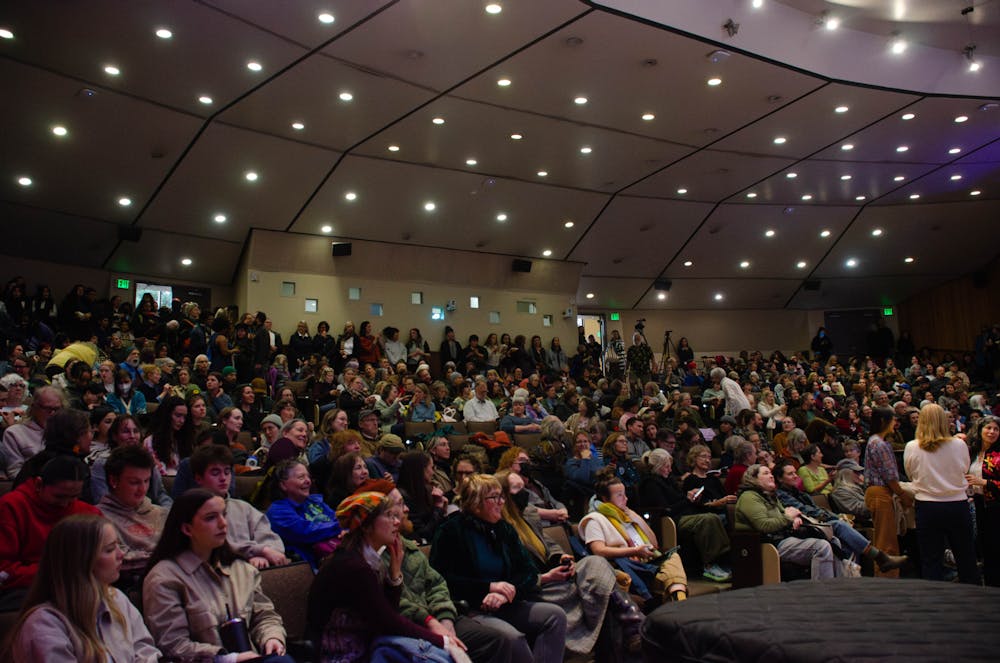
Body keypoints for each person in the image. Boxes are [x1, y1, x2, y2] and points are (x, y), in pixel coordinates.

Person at [308, 491, 468, 663]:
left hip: (368, 646)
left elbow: (388, 613)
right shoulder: (353, 567)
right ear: (366, 526)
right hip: (342, 655)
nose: (397, 521)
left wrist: (395, 573)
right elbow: (387, 622)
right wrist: (443, 641)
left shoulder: (364, 560)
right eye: (388, 516)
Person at [430, 474, 568, 663]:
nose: (502, 502)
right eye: (494, 497)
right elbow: (442, 580)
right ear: (475, 502)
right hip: (472, 607)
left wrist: (506, 592)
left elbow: (528, 571)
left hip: (505, 603)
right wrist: (488, 588)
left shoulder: (505, 529)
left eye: (501, 496)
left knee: (555, 616)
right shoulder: (450, 531)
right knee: (512, 638)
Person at [142, 489, 291, 661]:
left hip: (252, 657)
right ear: (187, 529)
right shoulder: (164, 578)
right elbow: (173, 645)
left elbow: (264, 617)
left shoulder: (241, 568)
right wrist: (227, 659)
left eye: (224, 515)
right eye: (211, 518)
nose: (223, 524)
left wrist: (272, 638)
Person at [495, 469, 626, 658]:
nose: (524, 494)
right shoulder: (501, 528)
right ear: (504, 496)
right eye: (517, 489)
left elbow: (548, 544)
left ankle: (631, 618)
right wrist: (546, 577)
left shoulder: (528, 514)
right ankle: (624, 636)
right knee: (599, 591)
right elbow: (513, 576)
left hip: (554, 575)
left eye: (524, 488)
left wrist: (560, 557)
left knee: (595, 563)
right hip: (538, 588)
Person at [382, 485, 513, 663]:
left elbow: (437, 584)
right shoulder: (451, 531)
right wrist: (431, 622)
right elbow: (393, 605)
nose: (406, 509)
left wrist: (445, 618)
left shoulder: (409, 547)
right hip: (416, 625)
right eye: (399, 504)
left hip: (443, 614)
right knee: (507, 637)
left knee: (501, 639)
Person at [5, 514, 160, 662]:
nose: (121, 555)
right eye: (109, 549)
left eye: (119, 546)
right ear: (81, 561)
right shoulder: (44, 625)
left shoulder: (117, 599)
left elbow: (145, 651)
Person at [0, 456, 102, 611]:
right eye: (59, 496)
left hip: (80, 586)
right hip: (26, 588)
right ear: (39, 484)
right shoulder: (11, 507)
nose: (65, 504)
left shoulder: (89, 513)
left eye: (73, 497)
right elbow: (4, 567)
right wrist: (58, 574)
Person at [773, 458, 906, 573]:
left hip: (817, 524)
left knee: (845, 537)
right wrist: (836, 518)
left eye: (795, 472)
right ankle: (879, 557)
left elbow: (816, 509)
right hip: (805, 527)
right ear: (779, 478)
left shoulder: (799, 493)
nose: (795, 476)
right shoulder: (781, 495)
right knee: (838, 525)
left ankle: (853, 576)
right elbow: (805, 510)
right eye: (790, 474)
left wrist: (837, 517)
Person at [579, 470, 689, 605]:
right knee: (671, 574)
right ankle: (680, 600)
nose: (625, 499)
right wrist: (634, 551)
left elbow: (654, 544)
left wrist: (636, 517)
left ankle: (678, 599)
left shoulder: (626, 516)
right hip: (627, 567)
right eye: (620, 495)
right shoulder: (594, 519)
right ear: (605, 499)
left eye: (625, 494)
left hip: (646, 561)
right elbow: (598, 551)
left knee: (673, 557)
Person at [904, 403, 981, 584]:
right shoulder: (959, 444)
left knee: (931, 560)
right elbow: (964, 468)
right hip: (957, 505)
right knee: (966, 557)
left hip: (927, 506)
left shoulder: (912, 446)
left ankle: (935, 598)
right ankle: (975, 596)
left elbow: (910, 474)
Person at [638, 449, 732, 582]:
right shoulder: (650, 484)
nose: (670, 470)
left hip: (684, 514)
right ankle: (710, 564)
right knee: (708, 519)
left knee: (714, 516)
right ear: (658, 466)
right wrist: (687, 500)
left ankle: (723, 560)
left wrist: (690, 496)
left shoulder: (668, 481)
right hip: (670, 520)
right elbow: (666, 510)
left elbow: (680, 499)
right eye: (666, 466)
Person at [735, 464, 842, 580]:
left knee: (833, 540)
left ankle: (839, 584)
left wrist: (795, 519)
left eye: (770, 473)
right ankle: (823, 588)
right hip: (769, 543)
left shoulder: (769, 495)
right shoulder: (749, 497)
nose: (771, 476)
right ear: (753, 478)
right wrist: (789, 518)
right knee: (821, 547)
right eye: (766, 473)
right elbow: (764, 525)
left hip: (784, 536)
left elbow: (785, 515)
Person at [190, 444, 288, 569]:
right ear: (199, 478)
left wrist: (263, 555)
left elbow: (271, 540)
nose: (223, 478)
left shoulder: (243, 507)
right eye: (215, 473)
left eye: (227, 472)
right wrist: (260, 550)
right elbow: (218, 546)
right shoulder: (191, 510)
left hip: (250, 569)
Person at [97, 446, 168, 591]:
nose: (142, 489)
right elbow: (119, 560)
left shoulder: (161, 513)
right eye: (134, 482)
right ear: (113, 480)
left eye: (146, 481)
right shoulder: (99, 517)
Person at [265, 459, 342, 570]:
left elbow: (337, 518)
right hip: (308, 567)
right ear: (283, 485)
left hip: (334, 555)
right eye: (301, 477)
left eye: (308, 477)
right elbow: (306, 532)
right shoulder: (278, 511)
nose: (308, 481)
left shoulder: (314, 502)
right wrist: (341, 526)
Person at [863, 406, 912, 578]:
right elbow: (889, 475)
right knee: (886, 540)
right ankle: (887, 580)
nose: (895, 423)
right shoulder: (879, 444)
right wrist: (902, 495)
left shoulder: (874, 441)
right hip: (880, 492)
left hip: (877, 492)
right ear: (884, 421)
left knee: (885, 538)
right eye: (893, 420)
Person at [91, 415, 172, 507]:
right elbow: (101, 498)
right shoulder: (102, 463)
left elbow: (160, 494)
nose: (132, 436)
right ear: (114, 436)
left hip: (149, 510)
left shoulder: (146, 459)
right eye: (126, 432)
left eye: (136, 431)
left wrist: (168, 511)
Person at [1, 385, 63, 478]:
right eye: (47, 408)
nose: (52, 413)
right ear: (34, 408)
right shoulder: (15, 433)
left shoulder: (67, 431)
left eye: (57, 409)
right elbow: (14, 472)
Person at [967, 415, 1000, 586]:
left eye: (996, 429)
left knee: (996, 547)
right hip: (978, 503)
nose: (992, 432)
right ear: (980, 430)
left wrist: (985, 482)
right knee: (984, 546)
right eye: (988, 428)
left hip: (996, 506)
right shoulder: (972, 452)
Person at [396, 451, 448, 544]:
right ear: (421, 470)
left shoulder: (425, 490)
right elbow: (423, 533)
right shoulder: (403, 497)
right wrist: (438, 508)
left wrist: (443, 510)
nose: (433, 472)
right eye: (431, 468)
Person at [829, 458, 871, 523]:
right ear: (846, 474)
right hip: (862, 523)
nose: (860, 475)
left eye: (860, 472)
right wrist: (878, 501)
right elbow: (858, 510)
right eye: (856, 472)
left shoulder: (858, 487)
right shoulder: (839, 492)